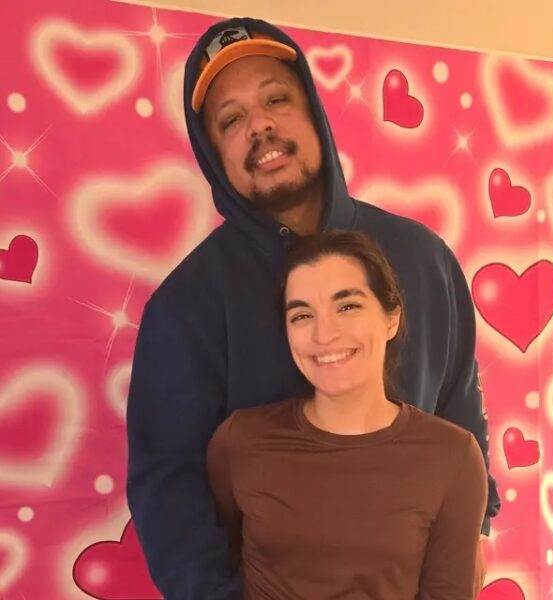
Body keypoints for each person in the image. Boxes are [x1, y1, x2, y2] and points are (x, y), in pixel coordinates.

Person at [126, 16, 500, 600]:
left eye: (276, 99)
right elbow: (169, 484)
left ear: (315, 114)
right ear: (213, 154)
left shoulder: (424, 259)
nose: (259, 125)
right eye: (231, 120)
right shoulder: (185, 306)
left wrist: (475, 525)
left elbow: (459, 406)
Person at [207, 229, 488, 599]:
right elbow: (214, 561)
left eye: (348, 307)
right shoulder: (240, 441)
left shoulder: (453, 457)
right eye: (302, 315)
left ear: (391, 318)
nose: (324, 334)